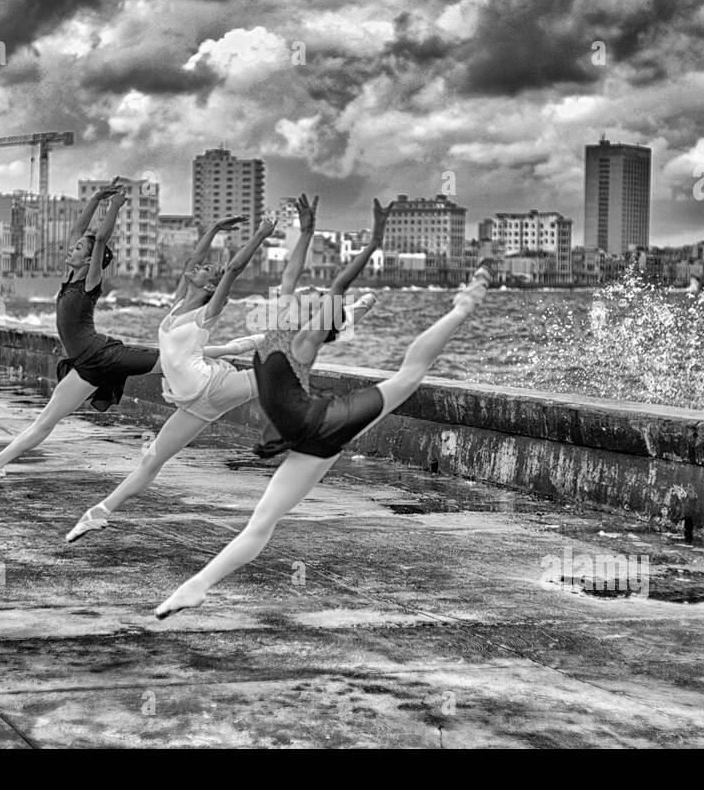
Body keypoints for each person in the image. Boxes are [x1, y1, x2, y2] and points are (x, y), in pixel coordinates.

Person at [155, 205, 491, 620]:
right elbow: (292, 274)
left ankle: (462, 306)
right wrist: (308, 231)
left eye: (310, 303)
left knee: (407, 377)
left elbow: (337, 283)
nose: (302, 299)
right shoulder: (282, 325)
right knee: (262, 521)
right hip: (311, 444)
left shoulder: (304, 340)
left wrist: (370, 245)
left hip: (324, 423)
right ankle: (195, 588)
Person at [65, 211, 278, 540]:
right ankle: (98, 513)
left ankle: (332, 323)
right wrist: (214, 226)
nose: (199, 266)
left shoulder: (207, 312)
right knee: (150, 462)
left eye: (206, 269)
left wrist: (261, 234)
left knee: (279, 369)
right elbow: (193, 258)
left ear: (210, 285)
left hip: (215, 387)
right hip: (192, 405)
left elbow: (233, 270)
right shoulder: (179, 304)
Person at [0, 180, 162, 493]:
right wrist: (97, 198)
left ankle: (237, 361)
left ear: (89, 260)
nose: (72, 249)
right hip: (82, 367)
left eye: (79, 250)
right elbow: (78, 231)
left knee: (171, 362)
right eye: (74, 247)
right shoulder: (69, 277)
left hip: (104, 354)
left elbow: (99, 239)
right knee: (44, 422)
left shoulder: (90, 280)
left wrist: (114, 206)